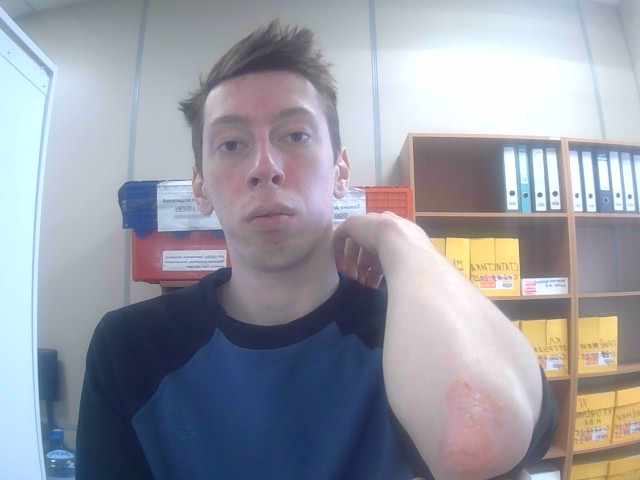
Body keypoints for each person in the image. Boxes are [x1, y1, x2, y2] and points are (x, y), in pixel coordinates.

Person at [76, 19, 556, 480]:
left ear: (341, 170)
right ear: (199, 186)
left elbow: (478, 439)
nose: (265, 167)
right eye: (231, 145)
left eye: (295, 135)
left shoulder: (407, 339)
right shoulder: (130, 347)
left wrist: (404, 241)